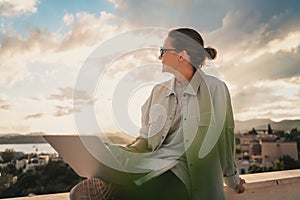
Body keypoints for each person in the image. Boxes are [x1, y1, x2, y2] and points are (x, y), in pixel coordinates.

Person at [70, 27, 245, 200]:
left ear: (181, 55)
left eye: (163, 51)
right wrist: (121, 153)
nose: (159, 57)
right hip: (152, 168)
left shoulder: (215, 88)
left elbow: (224, 138)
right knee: (80, 193)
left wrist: (232, 179)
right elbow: (145, 138)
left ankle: (112, 190)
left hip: (184, 177)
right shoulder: (157, 92)